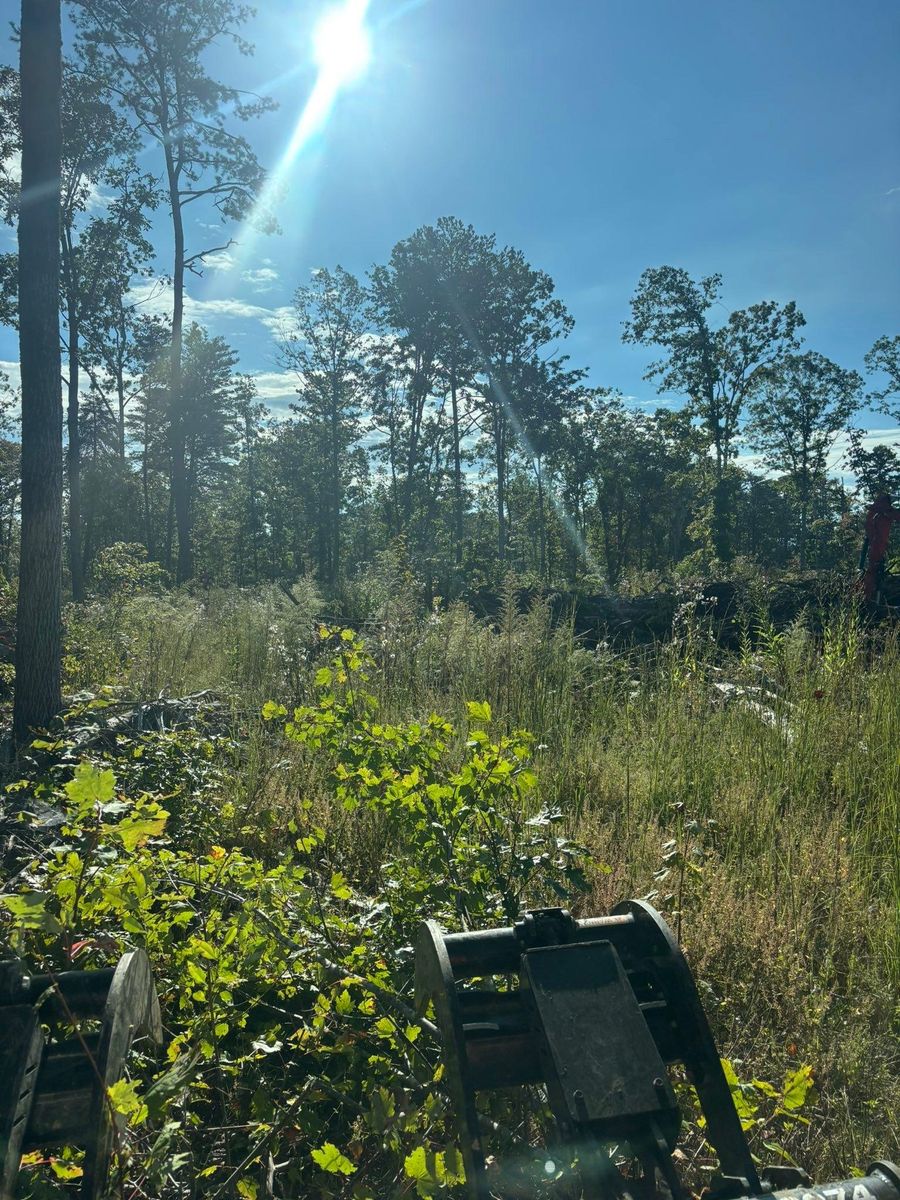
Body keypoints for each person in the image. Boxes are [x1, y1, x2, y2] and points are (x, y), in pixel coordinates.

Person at [862, 493, 900, 602]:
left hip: (876, 547)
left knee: (875, 570)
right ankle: (870, 598)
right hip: (876, 548)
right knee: (874, 571)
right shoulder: (882, 513)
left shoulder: (876, 513)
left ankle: (870, 597)